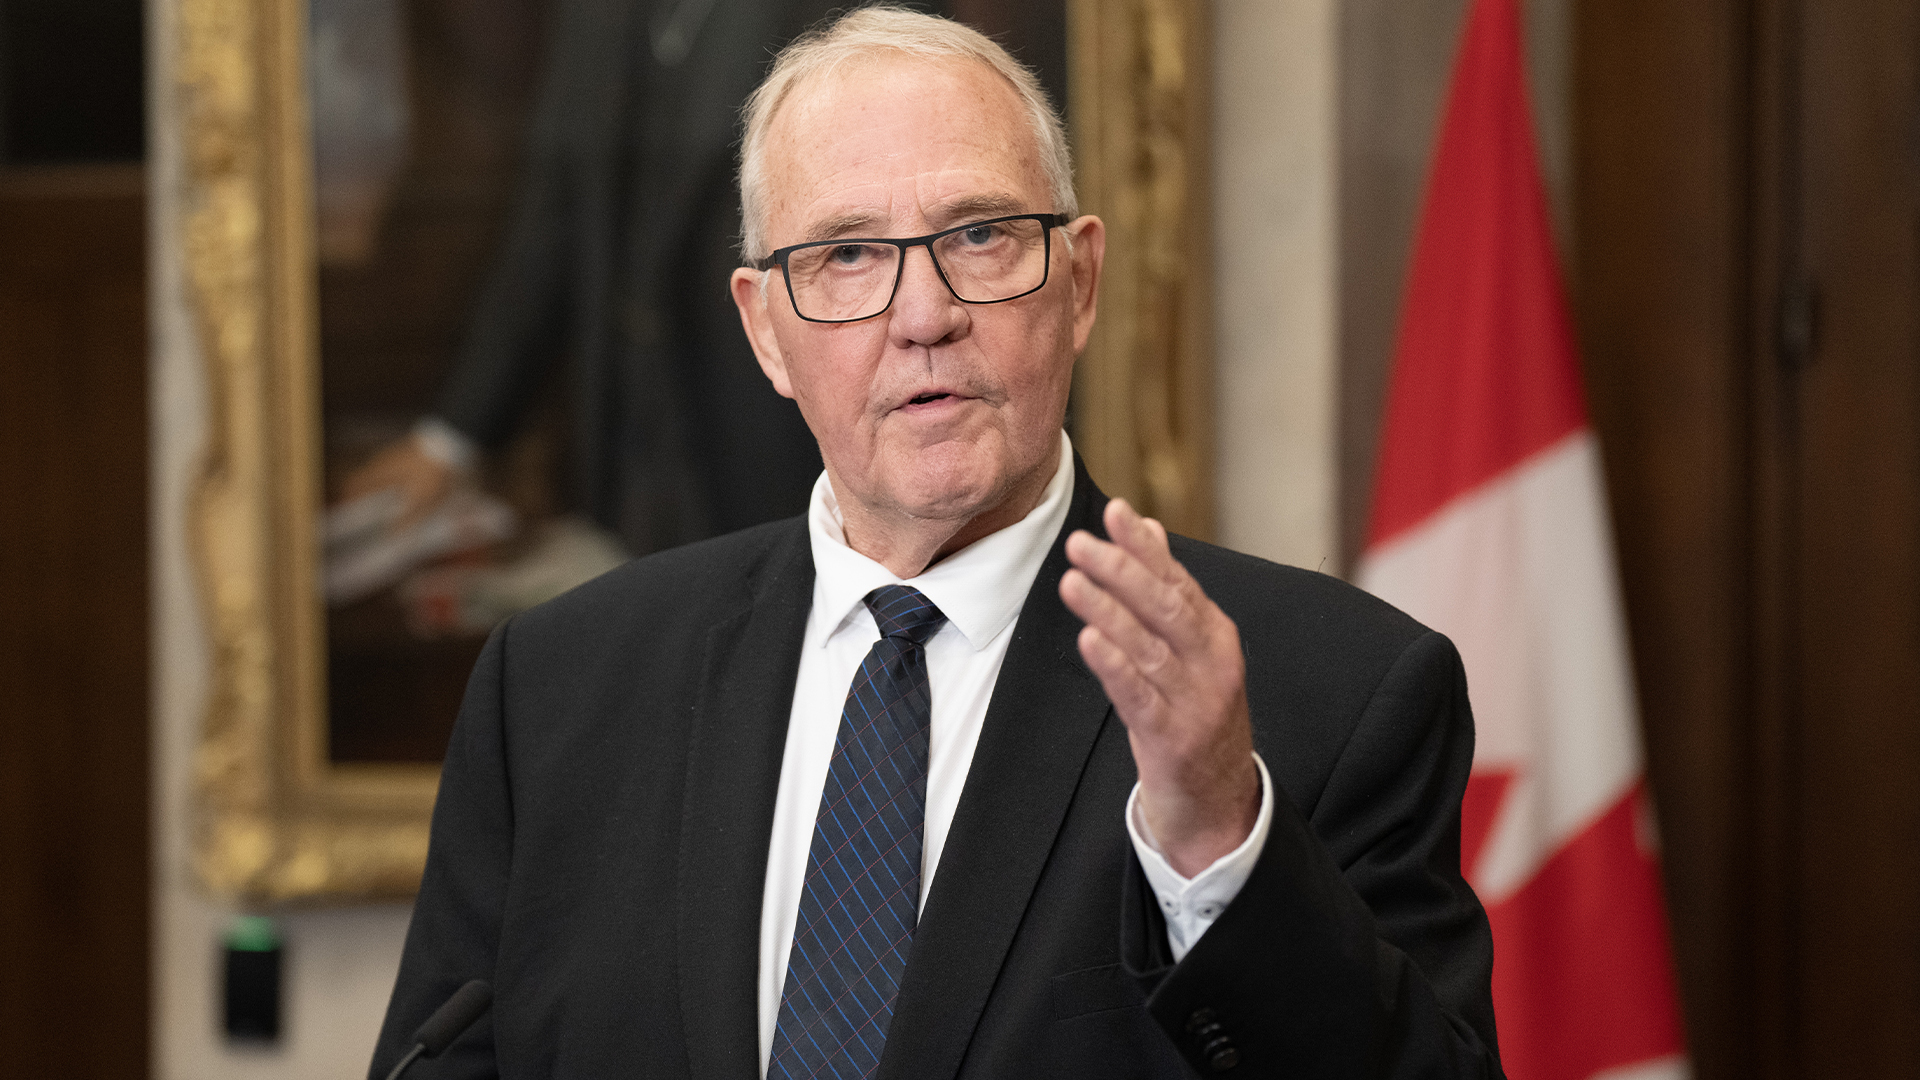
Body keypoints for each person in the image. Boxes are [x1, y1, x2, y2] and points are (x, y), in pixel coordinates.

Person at [370, 8, 1503, 1079]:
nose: (923, 317)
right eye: (848, 257)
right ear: (766, 329)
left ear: (1081, 280)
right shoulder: (561, 691)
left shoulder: (1339, 694)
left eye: (980, 234)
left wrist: (1218, 841)